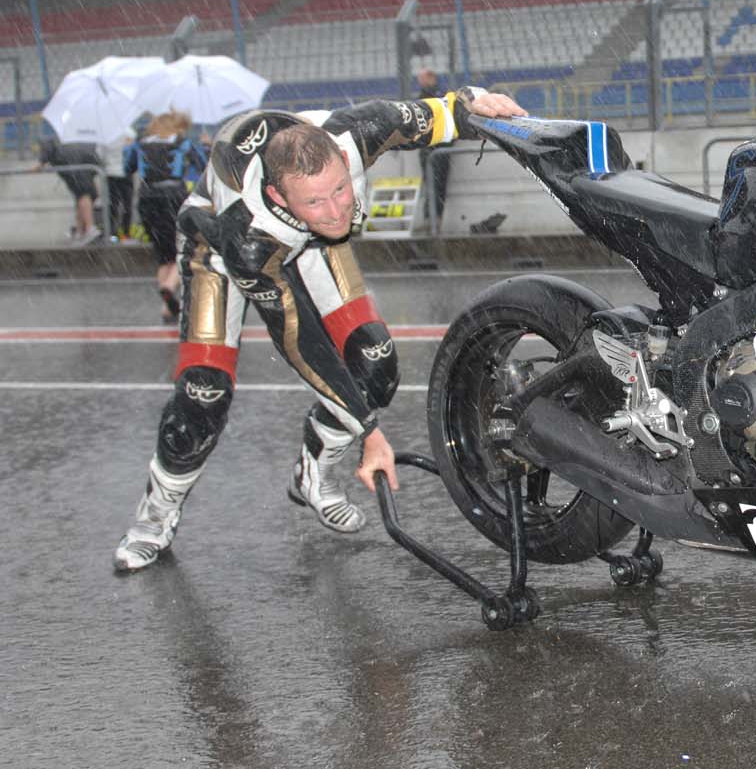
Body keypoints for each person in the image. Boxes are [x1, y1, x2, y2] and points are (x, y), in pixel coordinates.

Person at [113, 86, 528, 572]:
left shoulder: (359, 130)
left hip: (312, 245)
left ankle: (313, 470)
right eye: (317, 200)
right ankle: (154, 516)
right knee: (203, 395)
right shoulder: (249, 234)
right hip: (218, 253)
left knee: (376, 367)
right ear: (277, 195)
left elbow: (447, 110)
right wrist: (369, 432)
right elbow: (300, 342)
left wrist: (482, 102)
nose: (336, 211)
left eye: (341, 189)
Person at [125, 110, 208, 323]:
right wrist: (206, 145)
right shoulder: (182, 142)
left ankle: (167, 307)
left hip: (146, 199)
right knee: (185, 249)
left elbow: (127, 168)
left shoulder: (141, 143)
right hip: (174, 198)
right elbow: (204, 166)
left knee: (163, 255)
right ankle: (169, 287)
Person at [34, 136, 104, 245]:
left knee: (83, 196)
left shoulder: (50, 141)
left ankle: (89, 228)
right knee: (82, 197)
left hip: (76, 169)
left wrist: (40, 164)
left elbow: (47, 149)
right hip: (81, 167)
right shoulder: (83, 143)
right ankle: (80, 231)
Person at [415, 69, 451, 230]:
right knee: (433, 184)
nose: (420, 81)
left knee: (437, 184)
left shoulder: (438, 97)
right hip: (432, 147)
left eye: (422, 78)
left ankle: (434, 220)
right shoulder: (433, 96)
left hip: (436, 146)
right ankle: (432, 220)